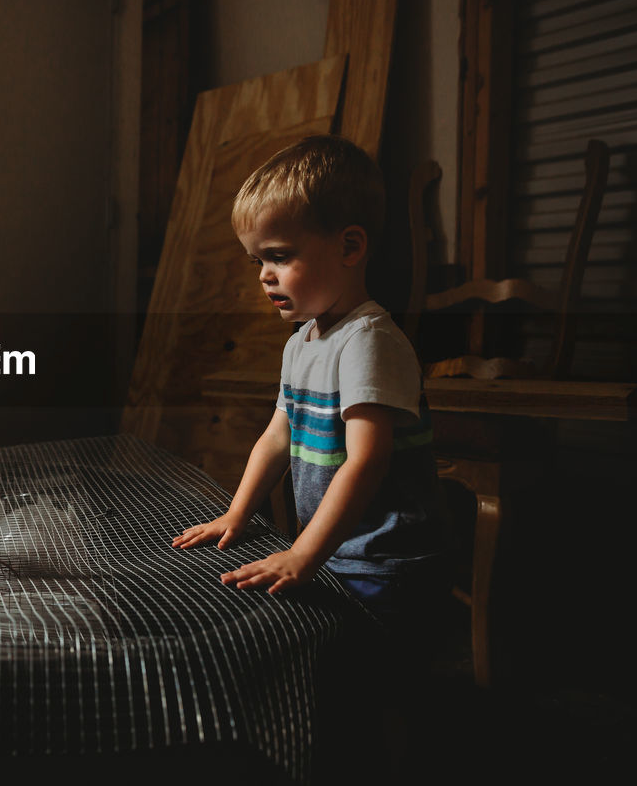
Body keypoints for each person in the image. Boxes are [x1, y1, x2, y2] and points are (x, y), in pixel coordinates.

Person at [172, 134, 449, 638]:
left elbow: (367, 459)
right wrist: (236, 513)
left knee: (372, 685)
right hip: (334, 553)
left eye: (278, 256)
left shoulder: (369, 341)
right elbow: (278, 438)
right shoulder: (302, 343)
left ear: (349, 246)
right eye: (258, 262)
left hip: (384, 564)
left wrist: (302, 553)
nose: (265, 277)